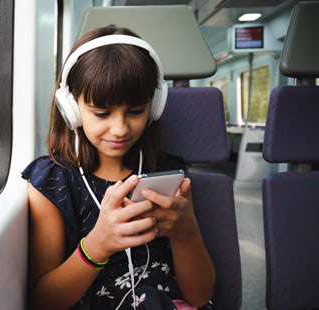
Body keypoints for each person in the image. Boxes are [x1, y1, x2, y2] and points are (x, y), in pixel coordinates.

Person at [22, 25, 215, 310]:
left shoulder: (166, 173)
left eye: (136, 111)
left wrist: (186, 232)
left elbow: (200, 296)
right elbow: (42, 303)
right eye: (101, 113)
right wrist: (96, 246)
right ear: (71, 109)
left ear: (155, 105)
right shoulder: (52, 183)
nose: (120, 128)